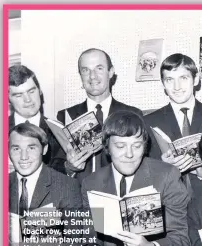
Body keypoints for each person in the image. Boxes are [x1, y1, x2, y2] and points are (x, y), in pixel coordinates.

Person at [81, 111, 190, 246]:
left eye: (137, 145)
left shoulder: (167, 176)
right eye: (120, 146)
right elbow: (91, 242)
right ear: (106, 147)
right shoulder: (92, 183)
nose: (129, 154)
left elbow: (181, 240)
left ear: (145, 146)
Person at [143, 53, 202, 197]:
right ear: (163, 84)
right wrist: (162, 167)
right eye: (169, 80)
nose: (177, 87)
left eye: (183, 78)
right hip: (169, 205)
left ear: (196, 79)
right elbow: (141, 173)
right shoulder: (149, 122)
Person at [56, 48, 143, 182]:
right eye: (85, 70)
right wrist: (69, 167)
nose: (92, 76)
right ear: (80, 76)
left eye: (99, 68)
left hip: (118, 193)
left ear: (111, 72)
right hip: (78, 196)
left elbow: (143, 161)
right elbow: (54, 165)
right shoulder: (65, 116)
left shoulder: (132, 114)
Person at [8, 123, 88, 242]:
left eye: (31, 148)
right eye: (16, 149)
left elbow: (74, 242)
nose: (23, 157)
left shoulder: (67, 186)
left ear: (44, 149)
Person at [8, 65, 64, 173]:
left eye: (31, 91)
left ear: (40, 91)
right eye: (19, 95)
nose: (28, 99)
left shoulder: (57, 130)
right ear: (8, 100)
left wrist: (71, 167)